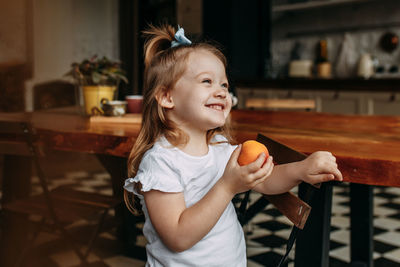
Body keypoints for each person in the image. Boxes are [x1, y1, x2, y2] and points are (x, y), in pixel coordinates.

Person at [124, 24, 343, 267]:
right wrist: (227, 187)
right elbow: (177, 237)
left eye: (224, 85)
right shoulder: (161, 161)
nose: (221, 91)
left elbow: (265, 179)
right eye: (207, 81)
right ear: (167, 97)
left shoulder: (219, 145)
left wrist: (300, 169)